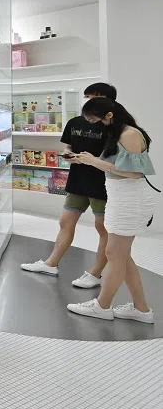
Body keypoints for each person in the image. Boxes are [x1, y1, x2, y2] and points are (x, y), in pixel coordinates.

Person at [66, 98, 157, 323]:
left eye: (94, 120)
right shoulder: (118, 133)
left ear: (109, 115)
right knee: (121, 255)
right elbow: (119, 167)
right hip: (120, 197)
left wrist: (93, 161)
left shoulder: (130, 134)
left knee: (114, 253)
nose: (93, 125)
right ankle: (141, 309)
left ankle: (102, 305)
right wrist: (87, 160)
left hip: (130, 199)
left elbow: (134, 173)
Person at [21, 83, 117, 287]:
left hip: (103, 183)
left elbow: (116, 159)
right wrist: (68, 154)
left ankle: (95, 274)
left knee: (103, 228)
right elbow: (68, 146)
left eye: (93, 97)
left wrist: (90, 160)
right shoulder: (75, 122)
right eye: (87, 96)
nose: (88, 101)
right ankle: (51, 263)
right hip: (78, 179)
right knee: (66, 221)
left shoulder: (114, 127)